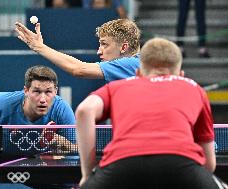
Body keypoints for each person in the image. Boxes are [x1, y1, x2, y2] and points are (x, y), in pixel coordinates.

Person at [75, 37, 225, 188]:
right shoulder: (193, 87)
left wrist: (87, 174)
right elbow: (209, 164)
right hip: (180, 162)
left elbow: (84, 110)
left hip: (122, 163)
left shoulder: (117, 87)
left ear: (138, 73)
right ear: (181, 74)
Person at [0, 65, 77, 189]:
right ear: (26, 91)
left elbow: (75, 150)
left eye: (48, 92)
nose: (43, 99)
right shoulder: (4, 103)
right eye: (36, 91)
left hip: (36, 160)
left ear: (55, 91)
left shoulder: (61, 110)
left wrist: (60, 143)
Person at [15, 18, 140, 83]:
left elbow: (79, 69)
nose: (99, 51)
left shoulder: (133, 64)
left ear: (123, 47)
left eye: (104, 44)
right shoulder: (133, 66)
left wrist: (39, 47)